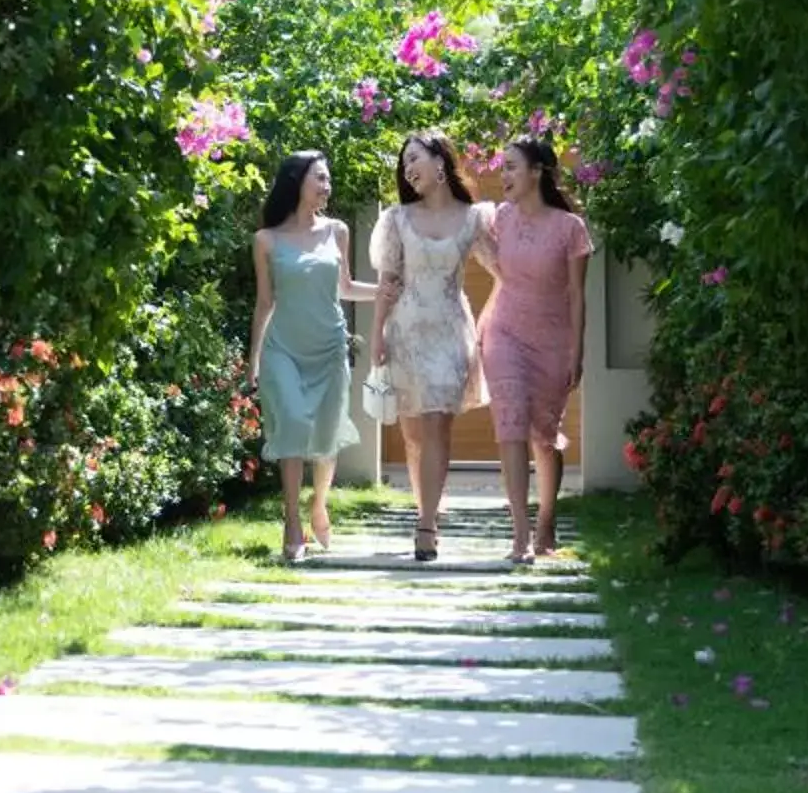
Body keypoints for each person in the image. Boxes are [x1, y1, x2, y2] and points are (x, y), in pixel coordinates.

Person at [248, 150, 375, 565]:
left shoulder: (336, 231)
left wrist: (386, 290)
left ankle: (319, 504)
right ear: (296, 181)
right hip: (283, 348)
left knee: (325, 433)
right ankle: (291, 521)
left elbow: (347, 286)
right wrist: (253, 360)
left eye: (328, 178)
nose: (327, 185)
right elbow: (264, 303)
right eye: (319, 178)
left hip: (329, 347)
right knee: (294, 423)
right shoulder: (266, 240)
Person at [475, 135, 592, 566]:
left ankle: (546, 520)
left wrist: (577, 351)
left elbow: (578, 296)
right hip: (504, 332)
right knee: (509, 422)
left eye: (511, 167)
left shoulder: (570, 229)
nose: (503, 175)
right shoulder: (499, 219)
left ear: (537, 172)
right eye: (502, 166)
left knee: (544, 436)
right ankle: (520, 532)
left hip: (553, 341)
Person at [372, 131, 486, 562]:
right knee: (415, 434)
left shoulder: (476, 218)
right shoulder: (397, 219)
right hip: (405, 332)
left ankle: (427, 525)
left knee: (439, 422)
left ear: (440, 162)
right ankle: (427, 508)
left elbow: (505, 270)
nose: (408, 169)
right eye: (404, 164)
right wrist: (379, 335)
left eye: (414, 158)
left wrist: (496, 318)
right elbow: (387, 284)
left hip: (451, 332)